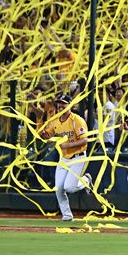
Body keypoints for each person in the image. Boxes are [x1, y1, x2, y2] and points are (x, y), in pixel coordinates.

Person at [38, 94, 91, 222]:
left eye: (64, 103)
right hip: (64, 158)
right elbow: (48, 136)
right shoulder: (55, 120)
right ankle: (67, 215)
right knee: (59, 188)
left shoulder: (77, 120)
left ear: (70, 105)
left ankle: (86, 180)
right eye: (59, 103)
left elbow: (84, 140)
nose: (61, 105)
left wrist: (68, 144)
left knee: (69, 188)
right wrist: (43, 134)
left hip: (78, 157)